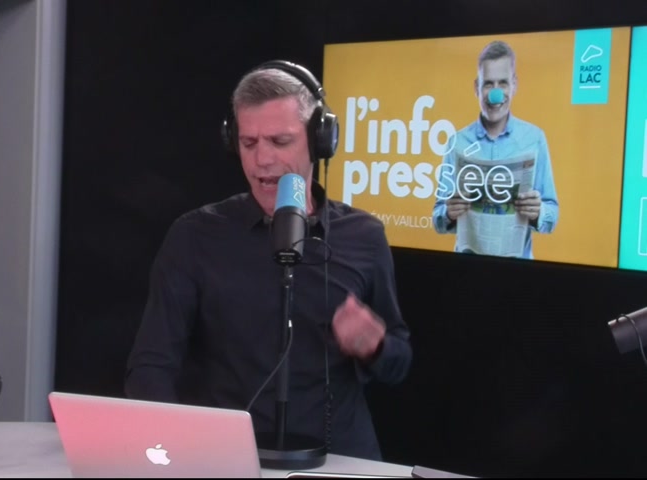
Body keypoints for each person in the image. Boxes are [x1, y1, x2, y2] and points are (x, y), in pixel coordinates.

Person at [124, 60, 412, 461]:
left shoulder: (364, 235)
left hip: (340, 458)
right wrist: (165, 455)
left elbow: (399, 363)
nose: (262, 159)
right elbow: (151, 366)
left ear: (318, 141)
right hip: (226, 458)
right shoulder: (194, 236)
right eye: (249, 143)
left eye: (280, 141)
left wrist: (374, 345)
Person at [432, 40, 559, 259]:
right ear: (477, 87)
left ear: (514, 85)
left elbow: (552, 214)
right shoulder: (457, 142)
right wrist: (448, 213)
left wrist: (539, 212)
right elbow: (438, 219)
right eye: (488, 84)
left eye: (503, 83)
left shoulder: (535, 138)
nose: (496, 94)